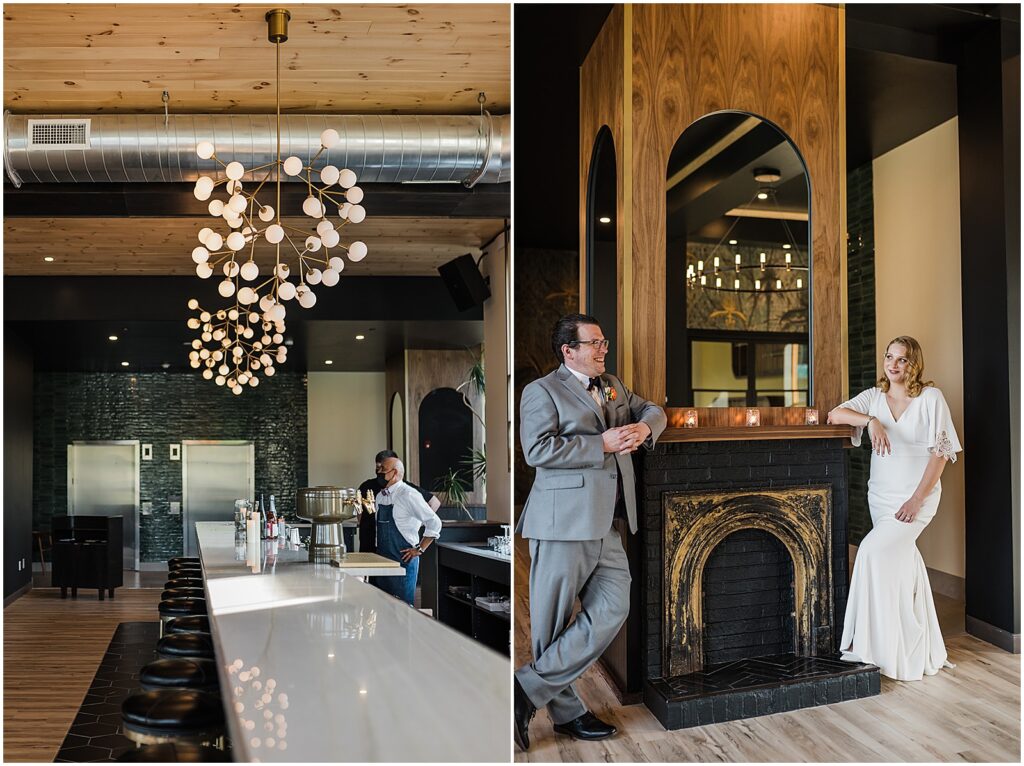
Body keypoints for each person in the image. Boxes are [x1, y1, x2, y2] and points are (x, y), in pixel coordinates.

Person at [514, 313, 666, 749]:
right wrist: (600, 443)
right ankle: (566, 714)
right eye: (595, 343)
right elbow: (537, 450)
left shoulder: (612, 384)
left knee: (614, 608)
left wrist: (643, 428)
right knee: (551, 626)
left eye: (603, 342)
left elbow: (652, 409)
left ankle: (526, 688)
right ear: (569, 351)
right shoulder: (541, 391)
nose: (603, 349)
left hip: (608, 524)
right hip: (563, 522)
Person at [828, 336, 962, 681]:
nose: (893, 364)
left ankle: (866, 645)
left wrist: (917, 499)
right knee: (901, 566)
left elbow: (941, 453)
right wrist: (871, 421)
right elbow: (835, 414)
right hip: (882, 497)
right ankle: (908, 648)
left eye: (901, 359)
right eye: (889, 357)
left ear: (913, 364)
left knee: (871, 552)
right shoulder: (874, 397)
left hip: (916, 497)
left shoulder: (931, 398)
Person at [367, 457, 442, 606]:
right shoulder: (380, 496)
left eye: (383, 470)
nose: (379, 473)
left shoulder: (408, 495)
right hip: (383, 562)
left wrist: (419, 549)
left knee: (402, 611)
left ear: (394, 473)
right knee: (382, 610)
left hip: (403, 561)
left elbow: (434, 523)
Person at [357, 449, 440, 554]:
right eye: (378, 467)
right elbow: (359, 511)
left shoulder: (408, 492)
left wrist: (415, 524)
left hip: (403, 552)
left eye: (383, 468)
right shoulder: (375, 493)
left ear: (395, 470)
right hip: (376, 548)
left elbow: (434, 508)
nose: (379, 472)